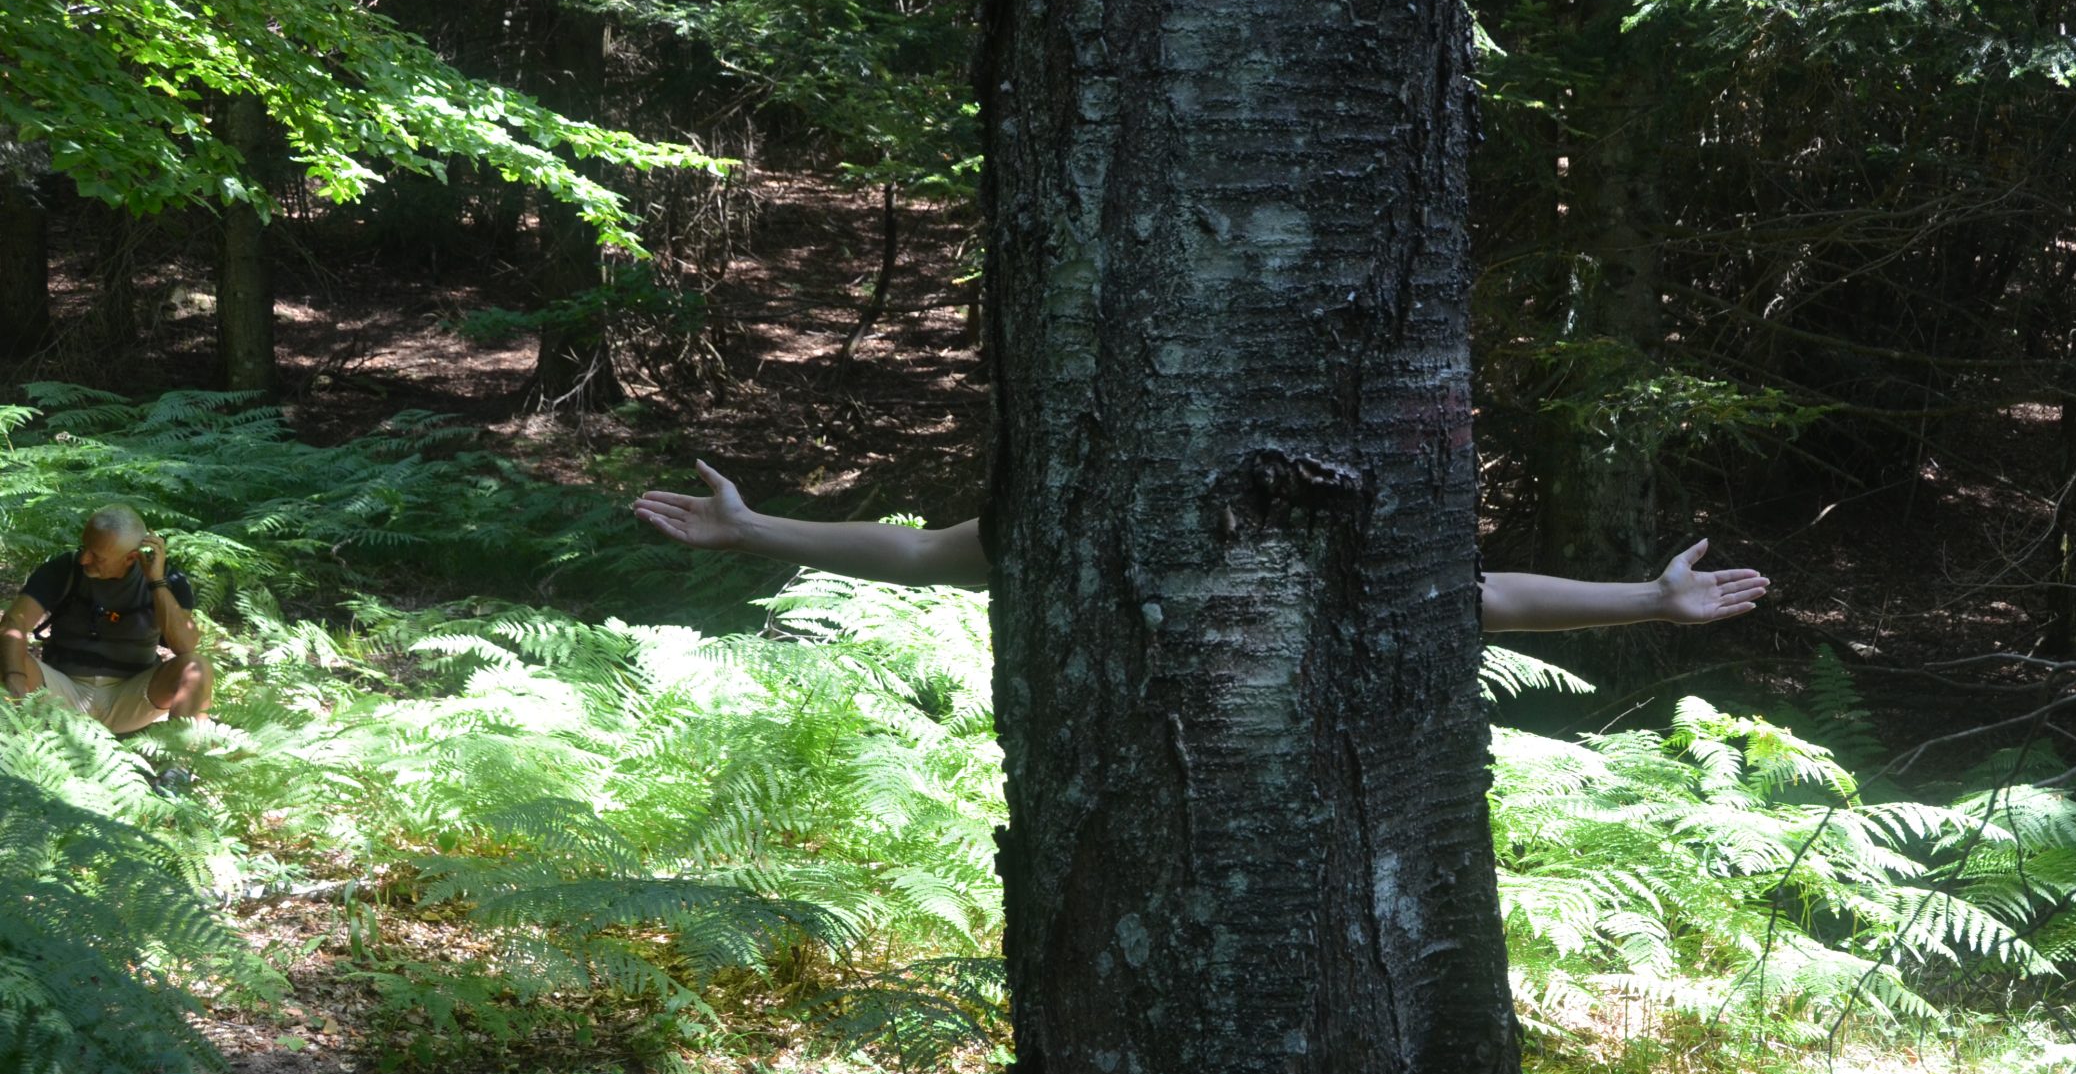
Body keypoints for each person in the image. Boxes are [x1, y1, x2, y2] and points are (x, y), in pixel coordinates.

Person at [633, 462, 1771, 632]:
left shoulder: (1307, 516)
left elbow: (1476, 600)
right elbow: (928, 553)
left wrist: (1645, 601)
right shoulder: (1083, 503)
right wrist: (751, 531)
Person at [1, 505, 214, 733]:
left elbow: (185, 645)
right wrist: (15, 679)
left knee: (196, 667)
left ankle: (178, 764)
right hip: (60, 692)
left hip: (131, 697)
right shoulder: (64, 569)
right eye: (85, 547)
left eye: (96, 556)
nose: (84, 559)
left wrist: (156, 582)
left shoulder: (170, 580)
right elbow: (14, 623)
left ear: (131, 557)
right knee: (5, 649)